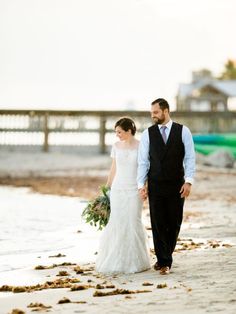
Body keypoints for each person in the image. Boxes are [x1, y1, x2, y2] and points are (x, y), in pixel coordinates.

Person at [137, 98, 195, 275]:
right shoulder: (148, 134)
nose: (153, 116)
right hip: (155, 184)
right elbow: (143, 162)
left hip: (177, 184)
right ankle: (164, 262)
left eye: (155, 112)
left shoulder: (183, 131)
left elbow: (190, 158)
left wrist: (189, 181)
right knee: (158, 223)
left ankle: (165, 256)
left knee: (174, 222)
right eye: (151, 113)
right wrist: (141, 184)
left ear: (165, 111)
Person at [96, 117, 151, 274]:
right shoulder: (116, 146)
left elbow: (145, 168)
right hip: (118, 189)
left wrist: (144, 187)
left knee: (133, 221)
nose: (117, 135)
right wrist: (106, 189)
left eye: (119, 132)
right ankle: (116, 260)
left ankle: (137, 261)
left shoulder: (141, 146)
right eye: (116, 132)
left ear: (129, 131)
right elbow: (113, 169)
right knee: (118, 222)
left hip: (135, 189)